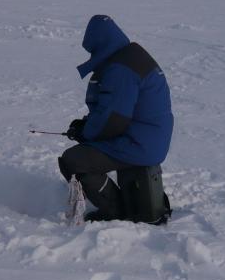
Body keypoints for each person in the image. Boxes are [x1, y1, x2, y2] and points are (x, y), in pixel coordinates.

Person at [58, 15, 173, 222]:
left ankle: (115, 211)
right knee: (88, 151)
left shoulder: (121, 69)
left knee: (73, 161)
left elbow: (113, 120)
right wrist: (87, 125)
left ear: (100, 43)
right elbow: (113, 111)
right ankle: (128, 201)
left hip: (139, 144)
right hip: (147, 138)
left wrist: (85, 133)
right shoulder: (130, 56)